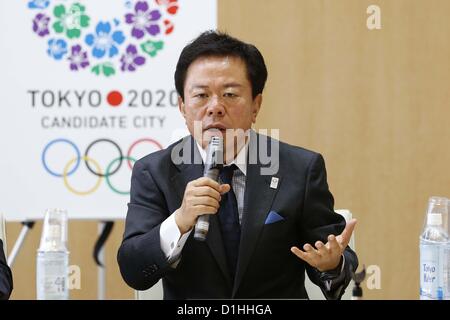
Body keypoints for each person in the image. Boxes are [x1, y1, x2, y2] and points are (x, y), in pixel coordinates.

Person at [118, 30, 358, 299]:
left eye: (230, 94)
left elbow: (335, 253)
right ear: (183, 107)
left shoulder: (300, 168)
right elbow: (133, 270)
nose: (215, 107)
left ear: (256, 105)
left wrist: (331, 264)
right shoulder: (154, 172)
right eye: (201, 95)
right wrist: (180, 220)